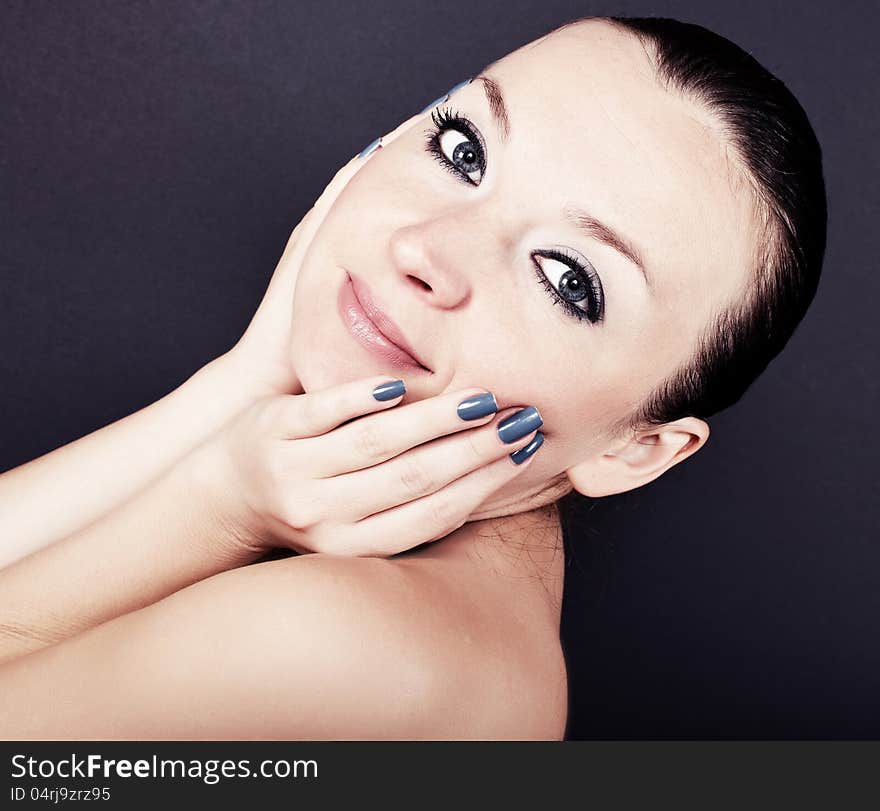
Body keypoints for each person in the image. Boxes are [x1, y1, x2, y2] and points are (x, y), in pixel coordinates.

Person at [0, 14, 826, 740]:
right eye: (464, 151)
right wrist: (246, 380)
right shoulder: (457, 633)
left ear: (635, 449)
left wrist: (220, 499)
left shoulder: (359, 641)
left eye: (568, 278)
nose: (425, 248)